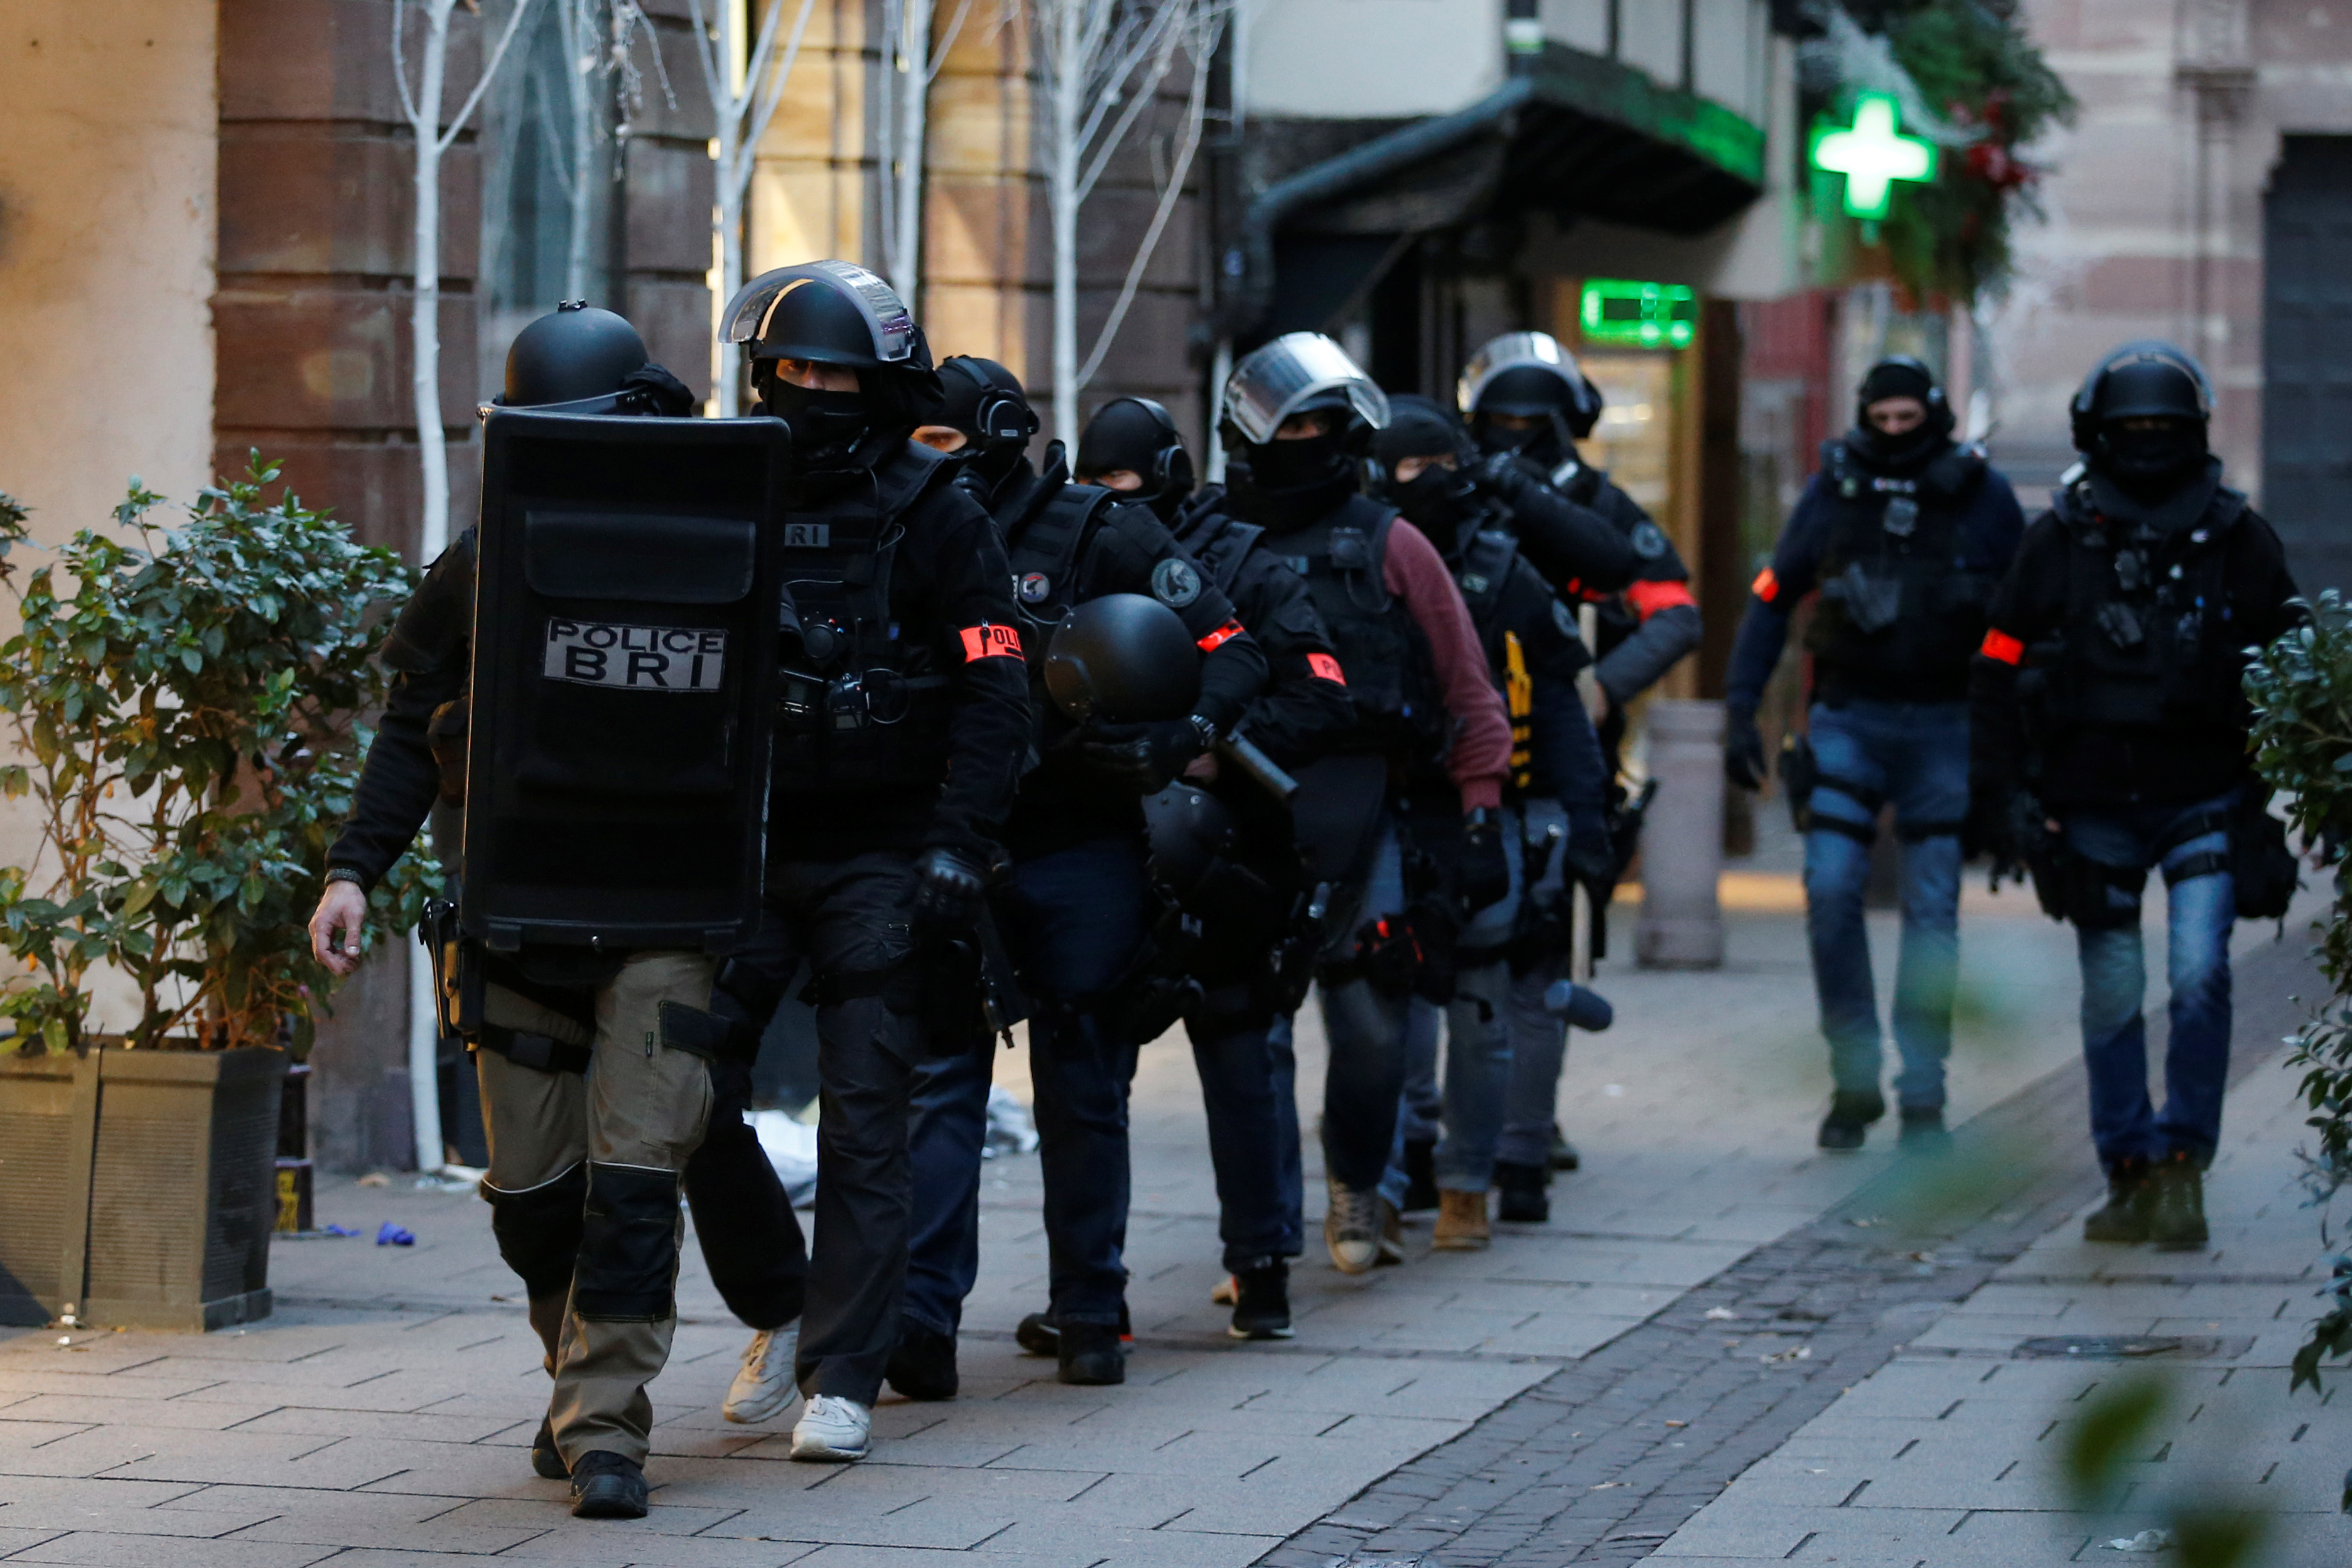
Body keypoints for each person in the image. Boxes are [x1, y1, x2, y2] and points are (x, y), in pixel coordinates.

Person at [307, 303, 815, 1517]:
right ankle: (574, 1375)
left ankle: (606, 1431)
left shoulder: (727, 541)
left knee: (636, 1182)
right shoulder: (490, 556)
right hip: (517, 915)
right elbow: (408, 727)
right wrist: (349, 870)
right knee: (535, 1198)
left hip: (662, 915)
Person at [691, 262, 1029, 1468]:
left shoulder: (938, 506)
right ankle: (780, 1302)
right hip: (749, 850)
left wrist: (955, 844)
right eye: (793, 370)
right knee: (684, 1086)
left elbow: (997, 687)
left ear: (884, 383)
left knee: (867, 1115)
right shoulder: (727, 486)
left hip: (885, 853)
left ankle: (844, 1372)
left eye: (838, 374)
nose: (813, 390)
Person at [892, 360, 1268, 1388]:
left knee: (1084, 1074)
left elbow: (1233, 650)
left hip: (1077, 840)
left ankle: (1090, 1312)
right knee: (939, 1078)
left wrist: (1174, 739)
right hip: (948, 838)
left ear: (1002, 436)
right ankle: (921, 1323)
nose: (917, 460)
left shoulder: (1098, 531)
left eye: (938, 440)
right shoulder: (896, 524)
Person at [1970, 341, 2300, 1247]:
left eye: (2162, 429)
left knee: (2198, 973)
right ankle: (2128, 1167)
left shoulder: (2235, 534)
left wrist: (2297, 797)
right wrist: (2002, 794)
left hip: (2203, 794)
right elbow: (1996, 663)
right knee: (2113, 990)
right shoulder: (2060, 537)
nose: (2148, 443)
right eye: (2132, 430)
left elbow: (2296, 657)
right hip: (2090, 805)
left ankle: (2182, 1165)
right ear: (2098, 434)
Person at [1219, 331, 1513, 1276]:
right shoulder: (1213, 535)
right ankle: (1262, 1231)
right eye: (1287, 422)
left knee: (1373, 1025)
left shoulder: (1393, 543)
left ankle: (1357, 1181)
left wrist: (1477, 810)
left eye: (1318, 423)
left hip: (1366, 804)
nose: (1302, 437)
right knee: (1249, 1030)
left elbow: (1467, 686)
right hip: (1241, 803)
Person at [1077, 395, 1354, 1336]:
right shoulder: (1078, 550)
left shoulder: (1245, 562)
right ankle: (1091, 1294)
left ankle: (1261, 1266)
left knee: (1241, 1054)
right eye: (1099, 483)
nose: (1116, 500)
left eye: (1126, 481)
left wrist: (1213, 746)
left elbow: (1319, 694)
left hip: (1230, 845)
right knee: (1094, 1068)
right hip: (1115, 839)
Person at [1722, 357, 2025, 1150]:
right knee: (1827, 890)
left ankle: (1922, 1093)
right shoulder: (1835, 489)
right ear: (1864, 417)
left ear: (1932, 415)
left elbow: (2030, 616)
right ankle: (1852, 1076)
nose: (1894, 434)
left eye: (1907, 420)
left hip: (1943, 724)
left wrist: (2020, 751)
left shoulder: (1980, 495)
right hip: (1848, 718)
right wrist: (1738, 710)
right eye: (1881, 420)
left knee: (1931, 912)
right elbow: (1770, 596)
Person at [1368, 395, 1616, 1240]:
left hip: (1487, 807)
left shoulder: (1502, 569)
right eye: (1408, 471)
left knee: (1482, 1003)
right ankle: (1393, 1170)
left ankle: (1474, 1175)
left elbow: (1556, 708)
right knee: (1390, 1005)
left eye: (1437, 468)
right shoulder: (1358, 553)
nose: (1425, 487)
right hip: (1389, 808)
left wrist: (1587, 827)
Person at [1460, 330, 1702, 1176]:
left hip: (1562, 749)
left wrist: (1600, 683)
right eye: (1501, 417)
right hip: (1462, 741)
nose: (1516, 432)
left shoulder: (1598, 508)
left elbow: (1672, 607)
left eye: (1533, 417)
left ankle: (1530, 1118)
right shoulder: (1462, 495)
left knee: (1551, 940)